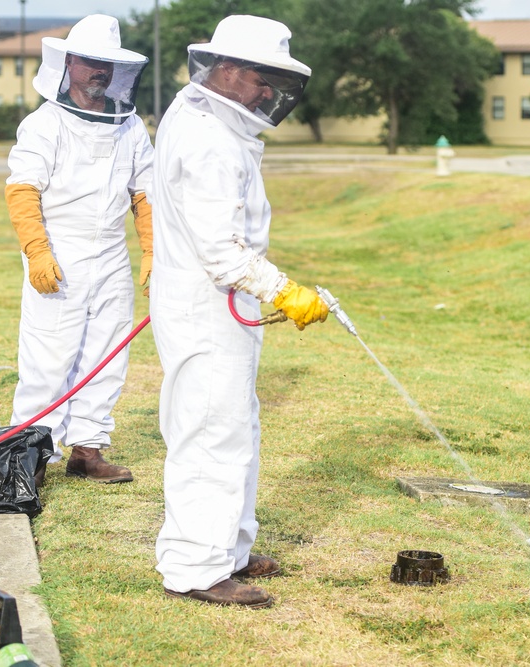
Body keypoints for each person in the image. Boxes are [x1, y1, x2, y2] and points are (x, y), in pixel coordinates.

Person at [150, 14, 329, 608]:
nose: (268, 94)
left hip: (212, 303)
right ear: (224, 69)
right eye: (260, 78)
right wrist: (286, 291)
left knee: (235, 426)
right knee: (210, 433)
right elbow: (224, 253)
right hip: (206, 303)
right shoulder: (207, 139)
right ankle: (197, 569)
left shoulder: (206, 118)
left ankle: (229, 548)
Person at [4, 14, 154, 484]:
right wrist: (36, 250)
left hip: (111, 254)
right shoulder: (43, 124)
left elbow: (145, 192)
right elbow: (23, 189)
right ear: (68, 63)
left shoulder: (130, 126)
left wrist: (151, 249)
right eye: (91, 61)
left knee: (107, 355)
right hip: (58, 251)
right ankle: (29, 458)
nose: (100, 71)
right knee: (48, 358)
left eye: (108, 64)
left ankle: (88, 450)